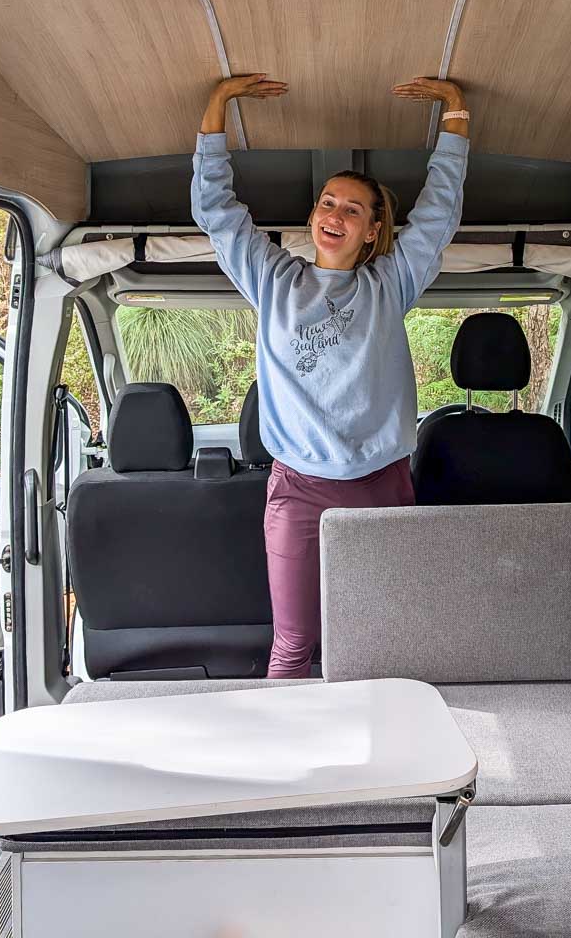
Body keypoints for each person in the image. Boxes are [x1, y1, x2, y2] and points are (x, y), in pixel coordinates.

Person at [191, 73, 469, 677]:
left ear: (373, 230)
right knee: (293, 647)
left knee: (382, 640)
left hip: (383, 484)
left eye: (352, 208)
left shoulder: (388, 286)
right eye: (326, 202)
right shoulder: (273, 282)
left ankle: (378, 763)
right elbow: (216, 212)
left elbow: (438, 216)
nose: (334, 214)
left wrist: (455, 117)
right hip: (298, 490)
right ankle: (286, 767)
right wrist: (216, 107)